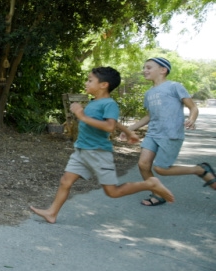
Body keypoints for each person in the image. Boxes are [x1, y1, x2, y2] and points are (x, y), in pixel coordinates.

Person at [30, 67, 174, 224]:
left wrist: (81, 115)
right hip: (82, 151)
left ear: (103, 85)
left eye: (90, 80)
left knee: (112, 192)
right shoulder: (95, 102)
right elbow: (113, 122)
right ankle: (52, 213)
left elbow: (109, 126)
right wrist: (128, 131)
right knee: (65, 181)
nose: (86, 82)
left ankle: (150, 183)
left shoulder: (109, 103)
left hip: (98, 152)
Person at [120, 57, 212, 206]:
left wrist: (192, 119)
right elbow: (149, 116)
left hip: (171, 134)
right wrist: (128, 129)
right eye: (144, 67)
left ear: (163, 70)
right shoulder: (148, 93)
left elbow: (193, 107)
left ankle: (198, 169)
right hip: (153, 133)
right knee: (143, 165)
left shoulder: (174, 86)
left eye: (149, 67)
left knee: (161, 169)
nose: (145, 70)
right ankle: (157, 194)